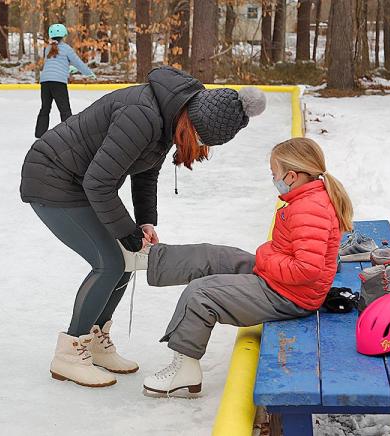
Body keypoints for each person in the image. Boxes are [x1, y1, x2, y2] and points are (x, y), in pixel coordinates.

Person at [20, 66, 267, 388]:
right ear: (191, 120)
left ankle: (95, 339)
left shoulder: (167, 115)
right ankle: (69, 352)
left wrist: (144, 223)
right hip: (52, 180)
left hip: (81, 182)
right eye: (197, 137)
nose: (193, 144)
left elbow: (145, 173)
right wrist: (128, 234)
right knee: (108, 263)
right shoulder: (142, 115)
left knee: (120, 262)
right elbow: (99, 183)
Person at [134, 137, 353, 397]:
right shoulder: (307, 198)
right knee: (214, 256)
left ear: (292, 176)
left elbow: (307, 269)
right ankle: (147, 259)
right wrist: (269, 257)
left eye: (275, 174)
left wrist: (266, 256)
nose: (273, 179)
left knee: (201, 294)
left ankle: (185, 369)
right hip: (282, 281)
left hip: (291, 296)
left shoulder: (310, 208)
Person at [34, 23, 96, 138]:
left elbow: (54, 64)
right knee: (65, 109)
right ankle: (70, 136)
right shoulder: (67, 49)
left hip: (45, 82)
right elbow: (78, 63)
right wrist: (89, 73)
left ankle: (39, 134)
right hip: (58, 83)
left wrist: (68, 69)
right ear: (64, 35)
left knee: (45, 108)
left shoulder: (48, 49)